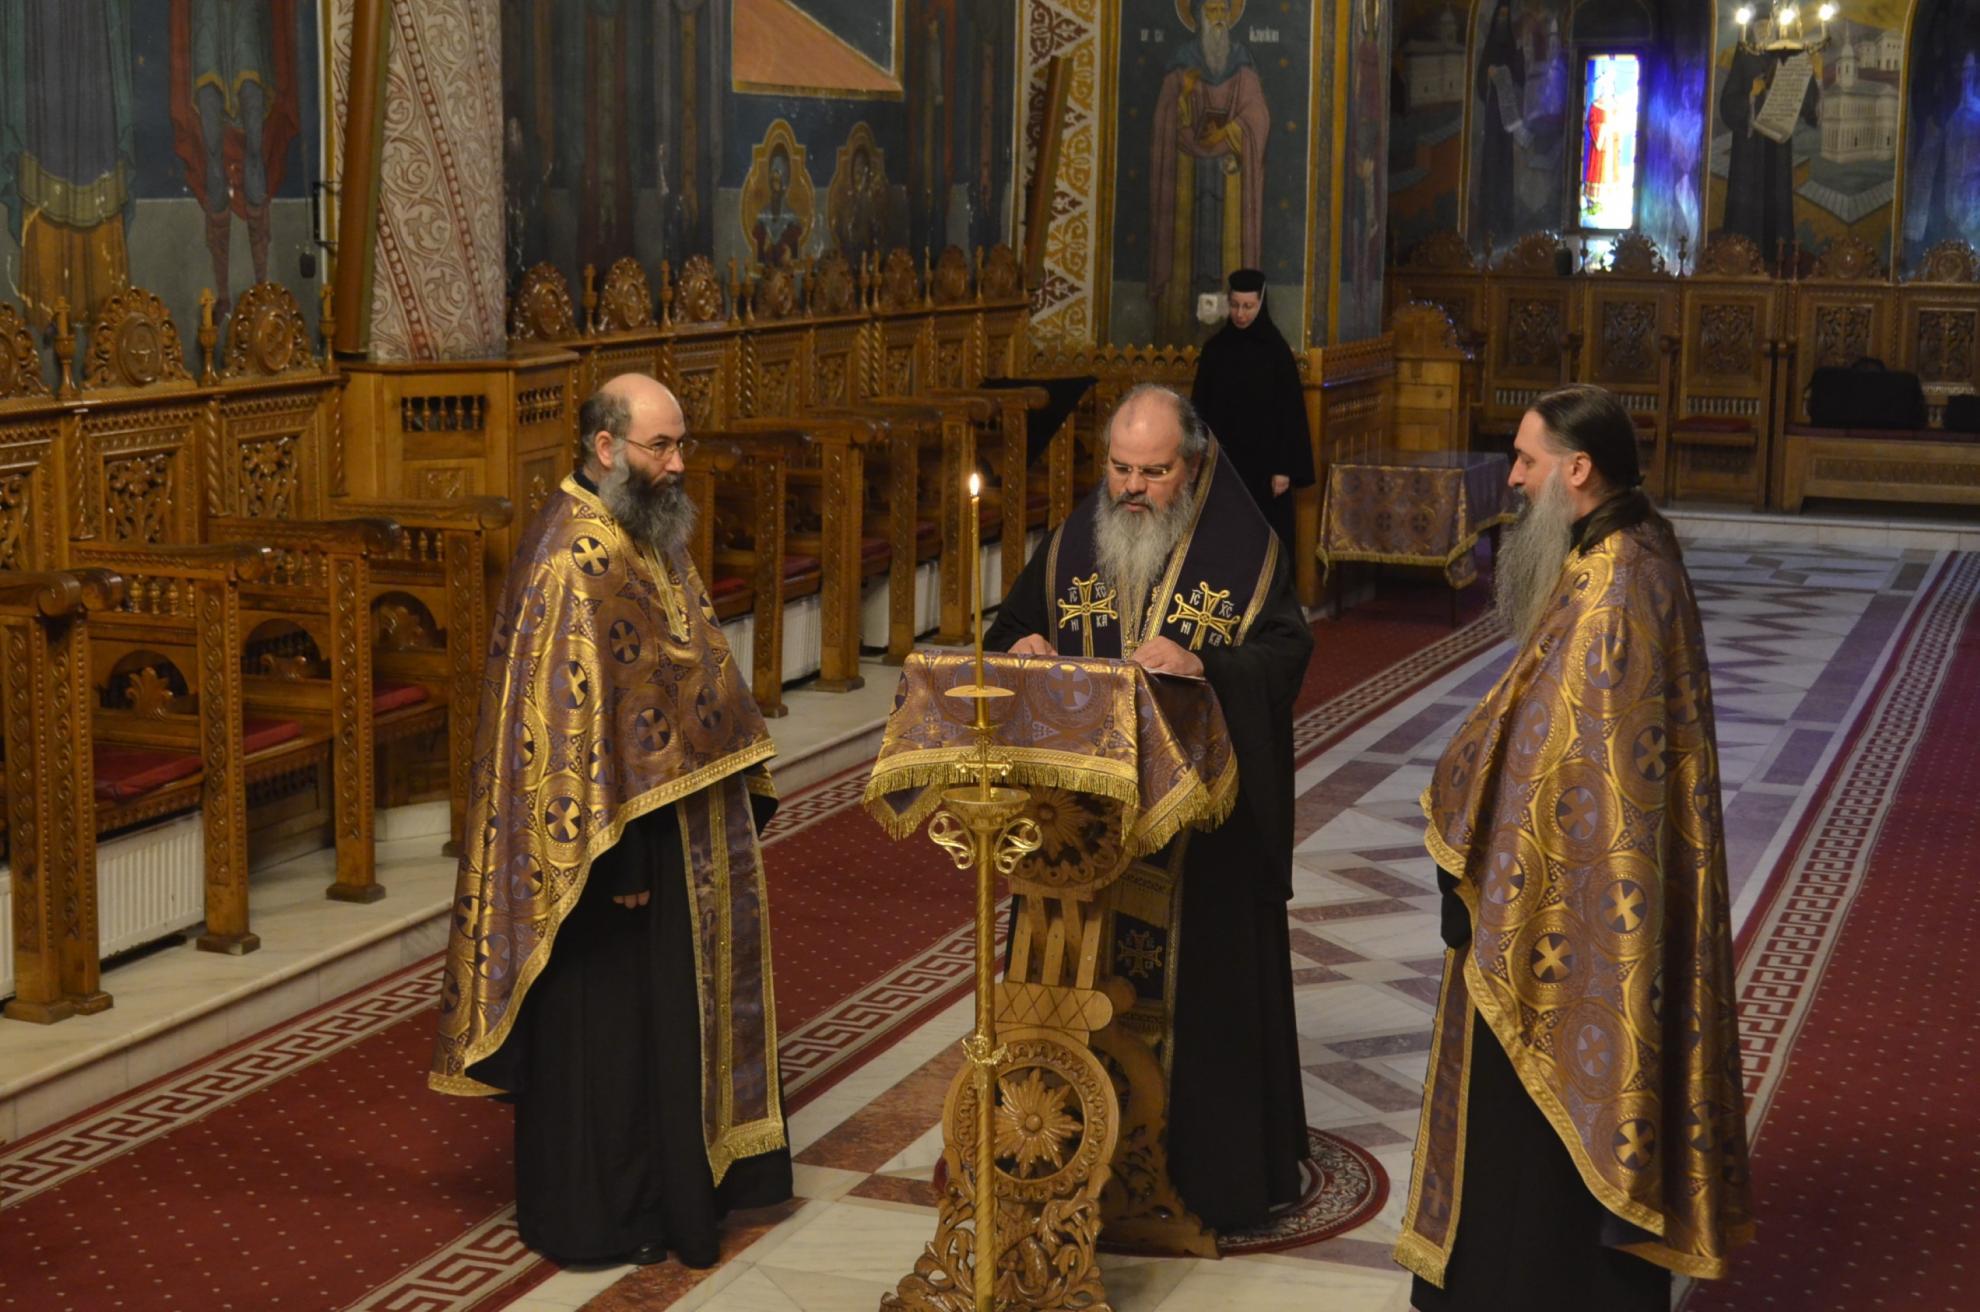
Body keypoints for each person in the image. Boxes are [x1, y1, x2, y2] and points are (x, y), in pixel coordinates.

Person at [1395, 385, 1753, 1310]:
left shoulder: (1610, 594)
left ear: (1577, 471)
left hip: (1569, 906)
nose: (1513, 479)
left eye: (1526, 461)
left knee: (1532, 1129)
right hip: (1592, 893)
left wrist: (1463, 817)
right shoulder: (1635, 551)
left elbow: (1556, 762)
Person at [430, 373, 792, 1268]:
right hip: (609, 856)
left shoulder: (642, 525)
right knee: (612, 1042)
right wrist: (620, 861)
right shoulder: (573, 559)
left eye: (681, 446)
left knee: (671, 1025)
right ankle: (615, 1212)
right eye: (658, 448)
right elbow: (562, 733)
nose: (676, 466)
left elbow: (678, 661)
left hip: (673, 821)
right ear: (604, 447)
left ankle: (688, 1185)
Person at [985, 383, 1313, 1235]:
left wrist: (1206, 662)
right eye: (1120, 468)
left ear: (1192, 463)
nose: (1130, 488)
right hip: (1084, 833)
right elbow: (1012, 622)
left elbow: (1286, 655)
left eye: (1153, 472)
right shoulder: (1075, 542)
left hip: (1201, 840)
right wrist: (1020, 644)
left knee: (1193, 997)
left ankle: (1203, 1177)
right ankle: (1057, 1150)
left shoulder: (1248, 550)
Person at [1149, 0, 1270, 344]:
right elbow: (1165, 116)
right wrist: (1184, 96)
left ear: (1231, 16)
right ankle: (1176, 331)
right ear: (1197, 17)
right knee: (1186, 251)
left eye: (1222, 11)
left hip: (1229, 176)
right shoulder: (1182, 63)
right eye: (1210, 11)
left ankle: (1229, 330)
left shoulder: (1242, 62)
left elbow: (1258, 115)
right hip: (1186, 174)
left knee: (1225, 252)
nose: (1217, 19)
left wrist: (1228, 133)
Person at [1189, 268, 1313, 553]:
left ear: (1261, 303)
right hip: (1223, 463)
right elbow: (1200, 407)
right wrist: (1198, 458)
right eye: (1234, 306)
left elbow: (1289, 413)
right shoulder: (1215, 350)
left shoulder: (1276, 351)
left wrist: (1284, 469)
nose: (1240, 314)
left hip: (1265, 468)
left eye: (1248, 307)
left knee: (1265, 538)